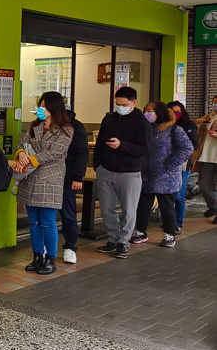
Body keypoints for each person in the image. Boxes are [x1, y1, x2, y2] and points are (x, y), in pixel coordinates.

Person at [14, 92, 73, 275]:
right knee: (34, 222)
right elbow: (21, 144)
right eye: (41, 105)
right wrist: (22, 155)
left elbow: (53, 153)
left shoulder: (66, 130)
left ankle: (50, 258)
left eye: (45, 106)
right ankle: (37, 255)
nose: (41, 109)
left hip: (50, 180)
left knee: (48, 222)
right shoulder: (35, 126)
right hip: (30, 178)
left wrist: (29, 159)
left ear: (54, 108)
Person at [94, 86, 153, 259]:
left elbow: (145, 149)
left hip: (129, 172)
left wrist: (122, 146)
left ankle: (123, 242)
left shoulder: (142, 122)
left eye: (124, 104)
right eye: (117, 103)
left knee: (128, 209)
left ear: (134, 102)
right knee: (107, 208)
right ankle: (112, 239)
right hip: (105, 169)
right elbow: (99, 144)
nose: (120, 106)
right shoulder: (109, 119)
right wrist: (98, 164)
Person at [130, 101, 192, 248]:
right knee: (143, 205)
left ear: (160, 113)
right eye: (146, 111)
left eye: (150, 111)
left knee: (167, 206)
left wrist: (171, 163)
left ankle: (169, 235)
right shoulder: (145, 129)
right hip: (145, 174)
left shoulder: (174, 130)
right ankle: (141, 232)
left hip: (166, 176)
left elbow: (187, 148)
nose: (147, 114)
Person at [60, 109, 89, 263]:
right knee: (44, 215)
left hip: (67, 176)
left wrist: (78, 177)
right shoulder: (40, 125)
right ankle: (42, 249)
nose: (41, 109)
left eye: (45, 106)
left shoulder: (75, 127)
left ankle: (70, 247)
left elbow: (82, 153)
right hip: (45, 177)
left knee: (68, 213)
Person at [167, 100, 198, 233]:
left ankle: (178, 223)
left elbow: (194, 145)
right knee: (168, 195)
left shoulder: (188, 126)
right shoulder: (164, 126)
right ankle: (169, 221)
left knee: (179, 195)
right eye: (173, 112)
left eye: (179, 111)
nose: (176, 114)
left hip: (183, 165)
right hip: (166, 164)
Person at [193, 95, 217, 223]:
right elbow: (197, 133)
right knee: (204, 184)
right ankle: (213, 206)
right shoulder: (208, 117)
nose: (215, 105)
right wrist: (199, 124)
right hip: (207, 156)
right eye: (214, 103)